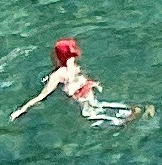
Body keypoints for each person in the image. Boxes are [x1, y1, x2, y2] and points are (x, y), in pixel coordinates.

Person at [10, 36, 150, 127]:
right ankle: (131, 109)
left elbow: (41, 96)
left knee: (90, 115)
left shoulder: (58, 75)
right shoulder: (73, 65)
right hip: (87, 86)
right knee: (98, 104)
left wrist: (21, 110)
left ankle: (121, 121)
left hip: (79, 94)